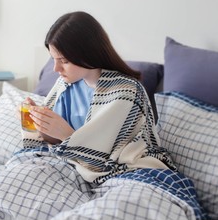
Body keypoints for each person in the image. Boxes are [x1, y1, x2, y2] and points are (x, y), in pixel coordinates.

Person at [23, 11, 176, 184]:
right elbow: (53, 141)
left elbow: (107, 158)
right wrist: (36, 121)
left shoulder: (127, 92)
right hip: (72, 166)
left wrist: (67, 134)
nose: (56, 68)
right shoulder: (65, 85)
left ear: (87, 53)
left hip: (127, 171)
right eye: (53, 59)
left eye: (64, 61)